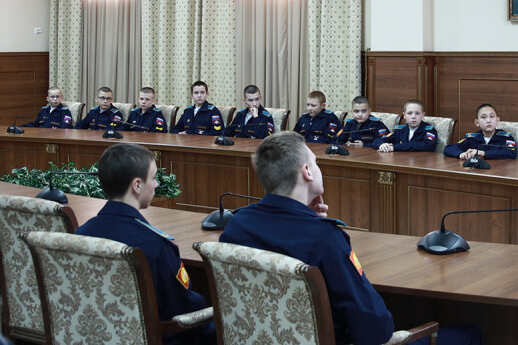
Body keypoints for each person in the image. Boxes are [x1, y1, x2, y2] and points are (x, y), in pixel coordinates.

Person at [220, 131, 479, 345]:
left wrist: (308, 217)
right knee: (468, 335)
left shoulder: (237, 226)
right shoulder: (325, 238)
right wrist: (313, 224)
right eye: (316, 163)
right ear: (307, 172)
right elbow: (375, 330)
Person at [75, 143, 215, 345]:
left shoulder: (81, 235)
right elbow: (182, 308)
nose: (156, 184)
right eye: (154, 177)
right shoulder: (156, 245)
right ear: (137, 185)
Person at [443, 104, 517, 160]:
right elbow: (448, 148)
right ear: (477, 122)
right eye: (483, 117)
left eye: (492, 117)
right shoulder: (472, 138)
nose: (488, 121)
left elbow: (511, 152)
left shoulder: (505, 137)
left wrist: (484, 153)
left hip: (499, 171)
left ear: (497, 120)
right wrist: (460, 154)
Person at [371, 100, 438, 152]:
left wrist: (395, 147)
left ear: (423, 115)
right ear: (404, 115)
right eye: (409, 113)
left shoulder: (429, 130)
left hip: (421, 162)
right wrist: (382, 144)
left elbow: (427, 146)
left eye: (417, 113)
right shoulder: (400, 130)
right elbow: (376, 141)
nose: (413, 116)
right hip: (402, 161)